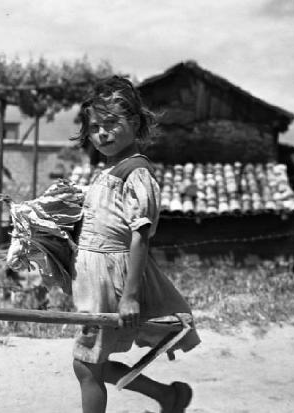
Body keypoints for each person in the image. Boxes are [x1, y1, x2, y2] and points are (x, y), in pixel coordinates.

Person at [70, 76, 201, 413]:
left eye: (112, 123)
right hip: (95, 281)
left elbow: (139, 235)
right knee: (94, 364)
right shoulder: (107, 171)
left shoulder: (135, 173)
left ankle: (166, 396)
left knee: (86, 366)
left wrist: (129, 297)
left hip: (112, 282)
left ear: (136, 123)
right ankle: (167, 396)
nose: (102, 132)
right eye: (95, 126)